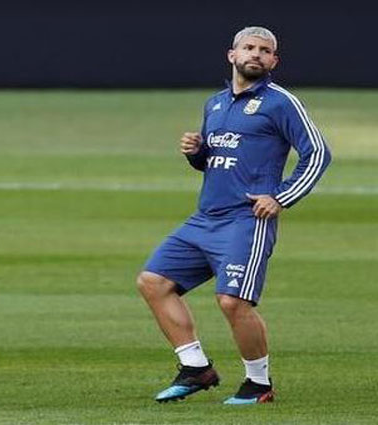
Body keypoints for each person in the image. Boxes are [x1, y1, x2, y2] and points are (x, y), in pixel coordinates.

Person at [136, 26, 331, 405]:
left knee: (232, 301)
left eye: (264, 50)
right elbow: (216, 161)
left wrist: (281, 197)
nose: (256, 54)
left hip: (246, 221)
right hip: (205, 218)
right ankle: (195, 367)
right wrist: (197, 152)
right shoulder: (215, 103)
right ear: (232, 55)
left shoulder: (281, 102)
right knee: (153, 282)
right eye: (249, 47)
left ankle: (258, 384)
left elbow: (319, 153)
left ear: (274, 61)